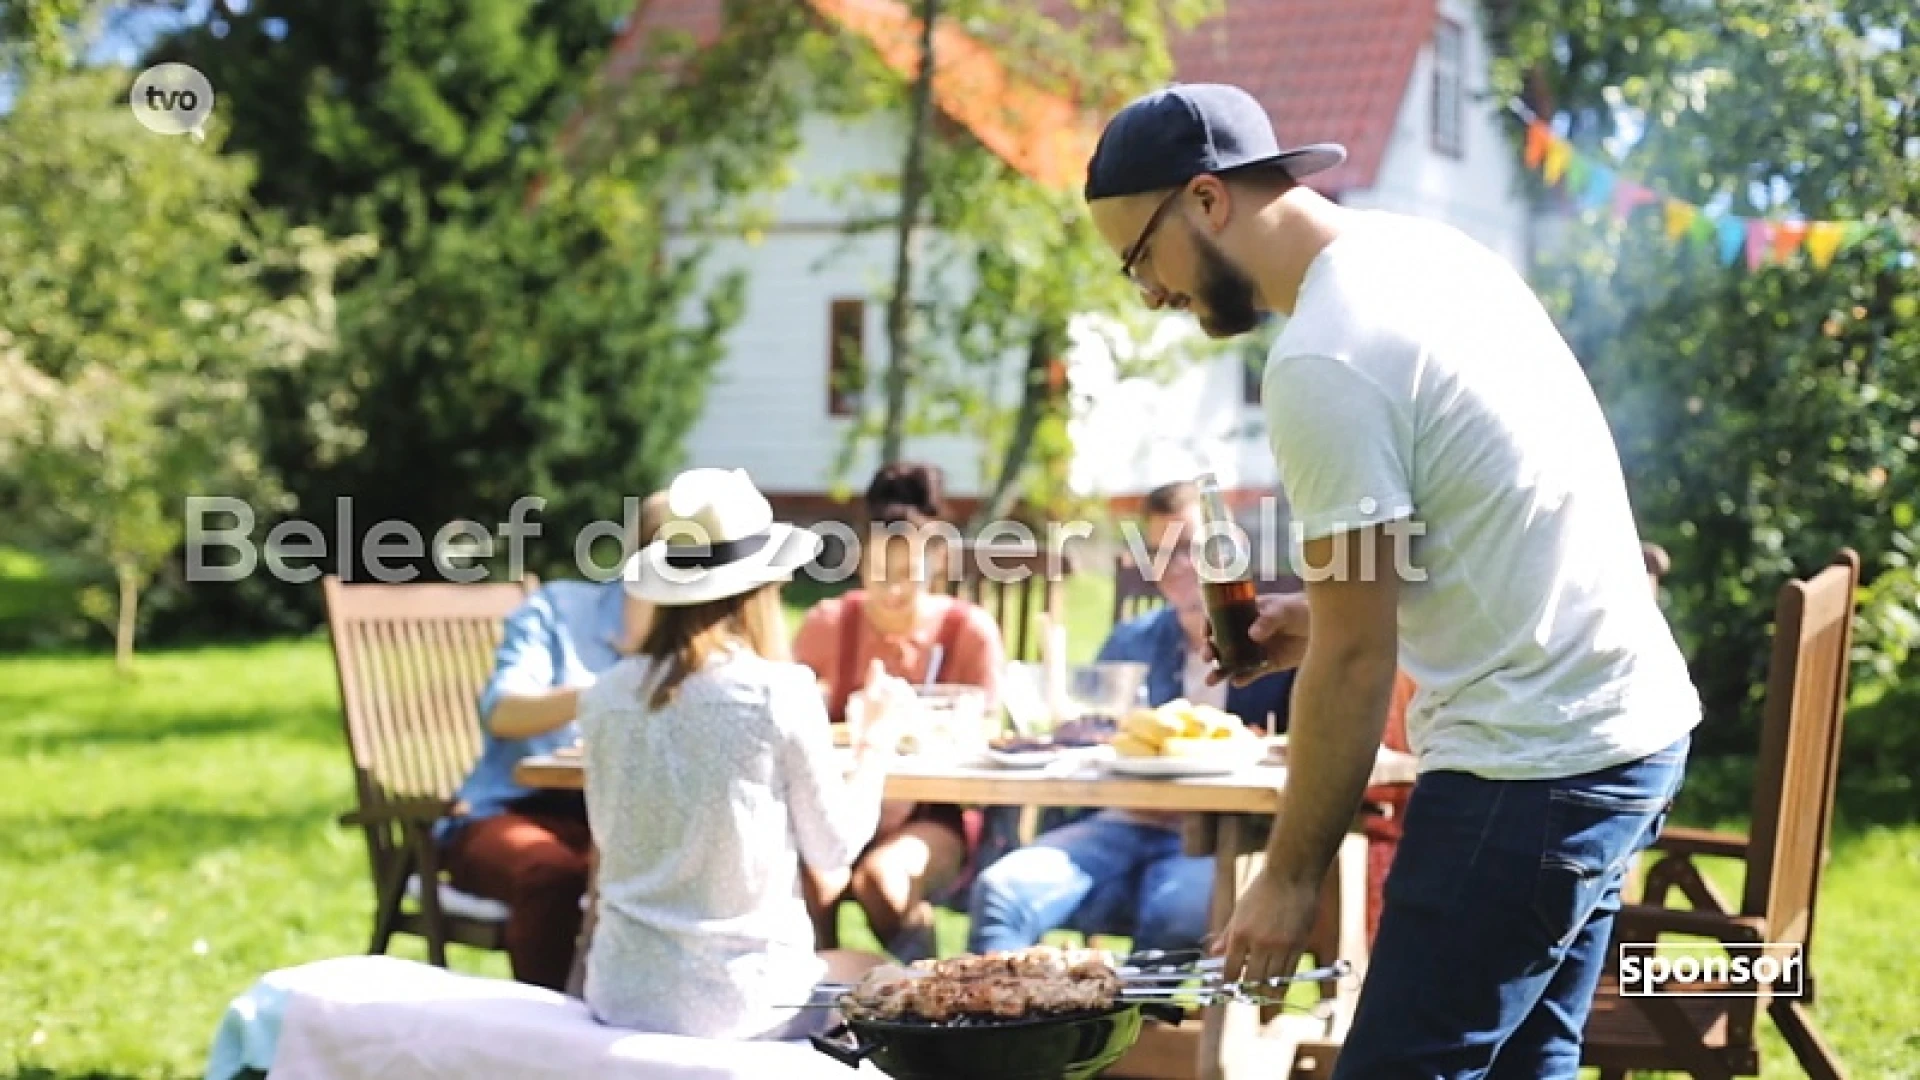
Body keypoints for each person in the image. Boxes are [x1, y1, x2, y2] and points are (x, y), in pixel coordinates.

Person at [1083, 83, 1699, 1077]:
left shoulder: (1325, 356)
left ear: (1206, 201)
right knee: (1522, 1064)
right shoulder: (1431, 255)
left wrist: (1285, 882)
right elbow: (1481, 534)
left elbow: (1362, 660)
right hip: (1627, 731)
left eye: (1138, 255)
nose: (1147, 291)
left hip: (1531, 767)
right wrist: (1320, 621)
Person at [577, 467, 910, 1038]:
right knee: (888, 979)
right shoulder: (776, 694)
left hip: (622, 993)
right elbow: (833, 849)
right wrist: (874, 739)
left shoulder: (603, 697)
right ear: (760, 589)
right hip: (748, 1004)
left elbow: (611, 840)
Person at [967, 480, 1294, 955]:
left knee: (1177, 910)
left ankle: (1127, 1026)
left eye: (1189, 548)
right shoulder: (1132, 642)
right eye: (1159, 552)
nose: (1175, 566)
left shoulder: (1280, 645)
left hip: (1224, 838)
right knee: (1002, 889)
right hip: (1120, 823)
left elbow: (1302, 755)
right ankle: (994, 1022)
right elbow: (1091, 735)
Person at [437, 490, 671, 991]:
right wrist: (604, 692)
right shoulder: (560, 611)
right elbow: (502, 712)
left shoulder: (706, 639)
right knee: (554, 874)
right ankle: (548, 1047)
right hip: (512, 811)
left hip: (623, 822)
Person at [791, 462, 1006, 961]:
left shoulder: (967, 631)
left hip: (933, 812)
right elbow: (790, 714)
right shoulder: (829, 624)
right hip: (836, 806)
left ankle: (925, 993)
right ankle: (820, 998)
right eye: (879, 573)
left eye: (907, 575)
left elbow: (989, 729)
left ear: (935, 563)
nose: (891, 591)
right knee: (811, 880)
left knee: (883, 881)